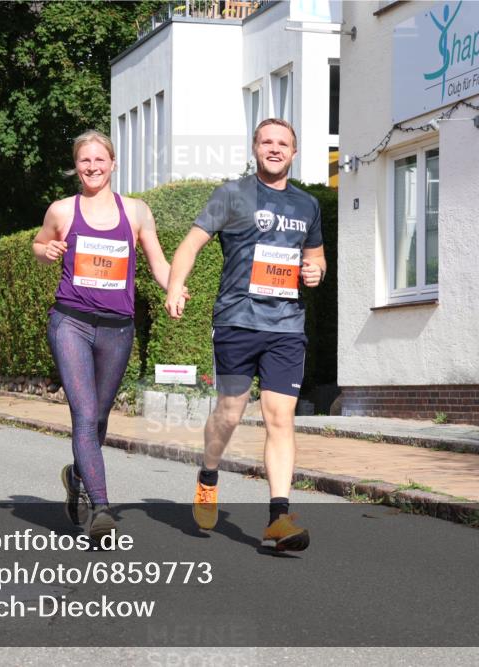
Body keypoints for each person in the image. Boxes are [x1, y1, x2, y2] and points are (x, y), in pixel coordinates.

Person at [164, 118, 326, 551]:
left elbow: (316, 259)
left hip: (286, 326)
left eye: (283, 143)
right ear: (255, 148)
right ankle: (209, 474)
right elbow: (191, 245)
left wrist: (316, 271)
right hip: (237, 321)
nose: (275, 149)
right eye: (267, 142)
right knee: (230, 413)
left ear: (294, 152)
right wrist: (176, 285)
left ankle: (278, 516)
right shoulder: (231, 194)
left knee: (280, 417)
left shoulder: (308, 205)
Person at [33, 129, 184, 544]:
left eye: (100, 160)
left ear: (113, 164)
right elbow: (40, 243)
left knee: (99, 418)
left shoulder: (136, 212)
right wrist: (44, 251)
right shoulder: (63, 210)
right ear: (76, 167)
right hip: (71, 322)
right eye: (85, 161)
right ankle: (101, 509)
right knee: (83, 415)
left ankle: (77, 475)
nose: (93, 167)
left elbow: (158, 263)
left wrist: (175, 286)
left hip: (118, 327)